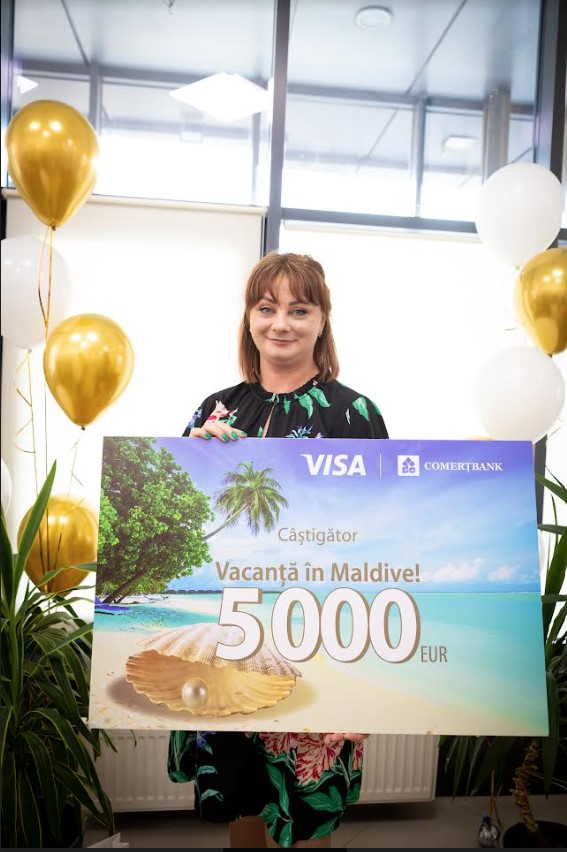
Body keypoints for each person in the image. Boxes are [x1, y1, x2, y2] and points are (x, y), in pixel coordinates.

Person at [168, 251, 388, 849]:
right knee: (241, 801)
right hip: (228, 636)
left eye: (300, 309)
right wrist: (189, 457)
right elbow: (180, 527)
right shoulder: (215, 411)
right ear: (249, 318)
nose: (281, 323)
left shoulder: (354, 415)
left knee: (305, 812)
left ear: (322, 320)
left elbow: (381, 538)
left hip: (318, 637)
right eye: (267, 308)